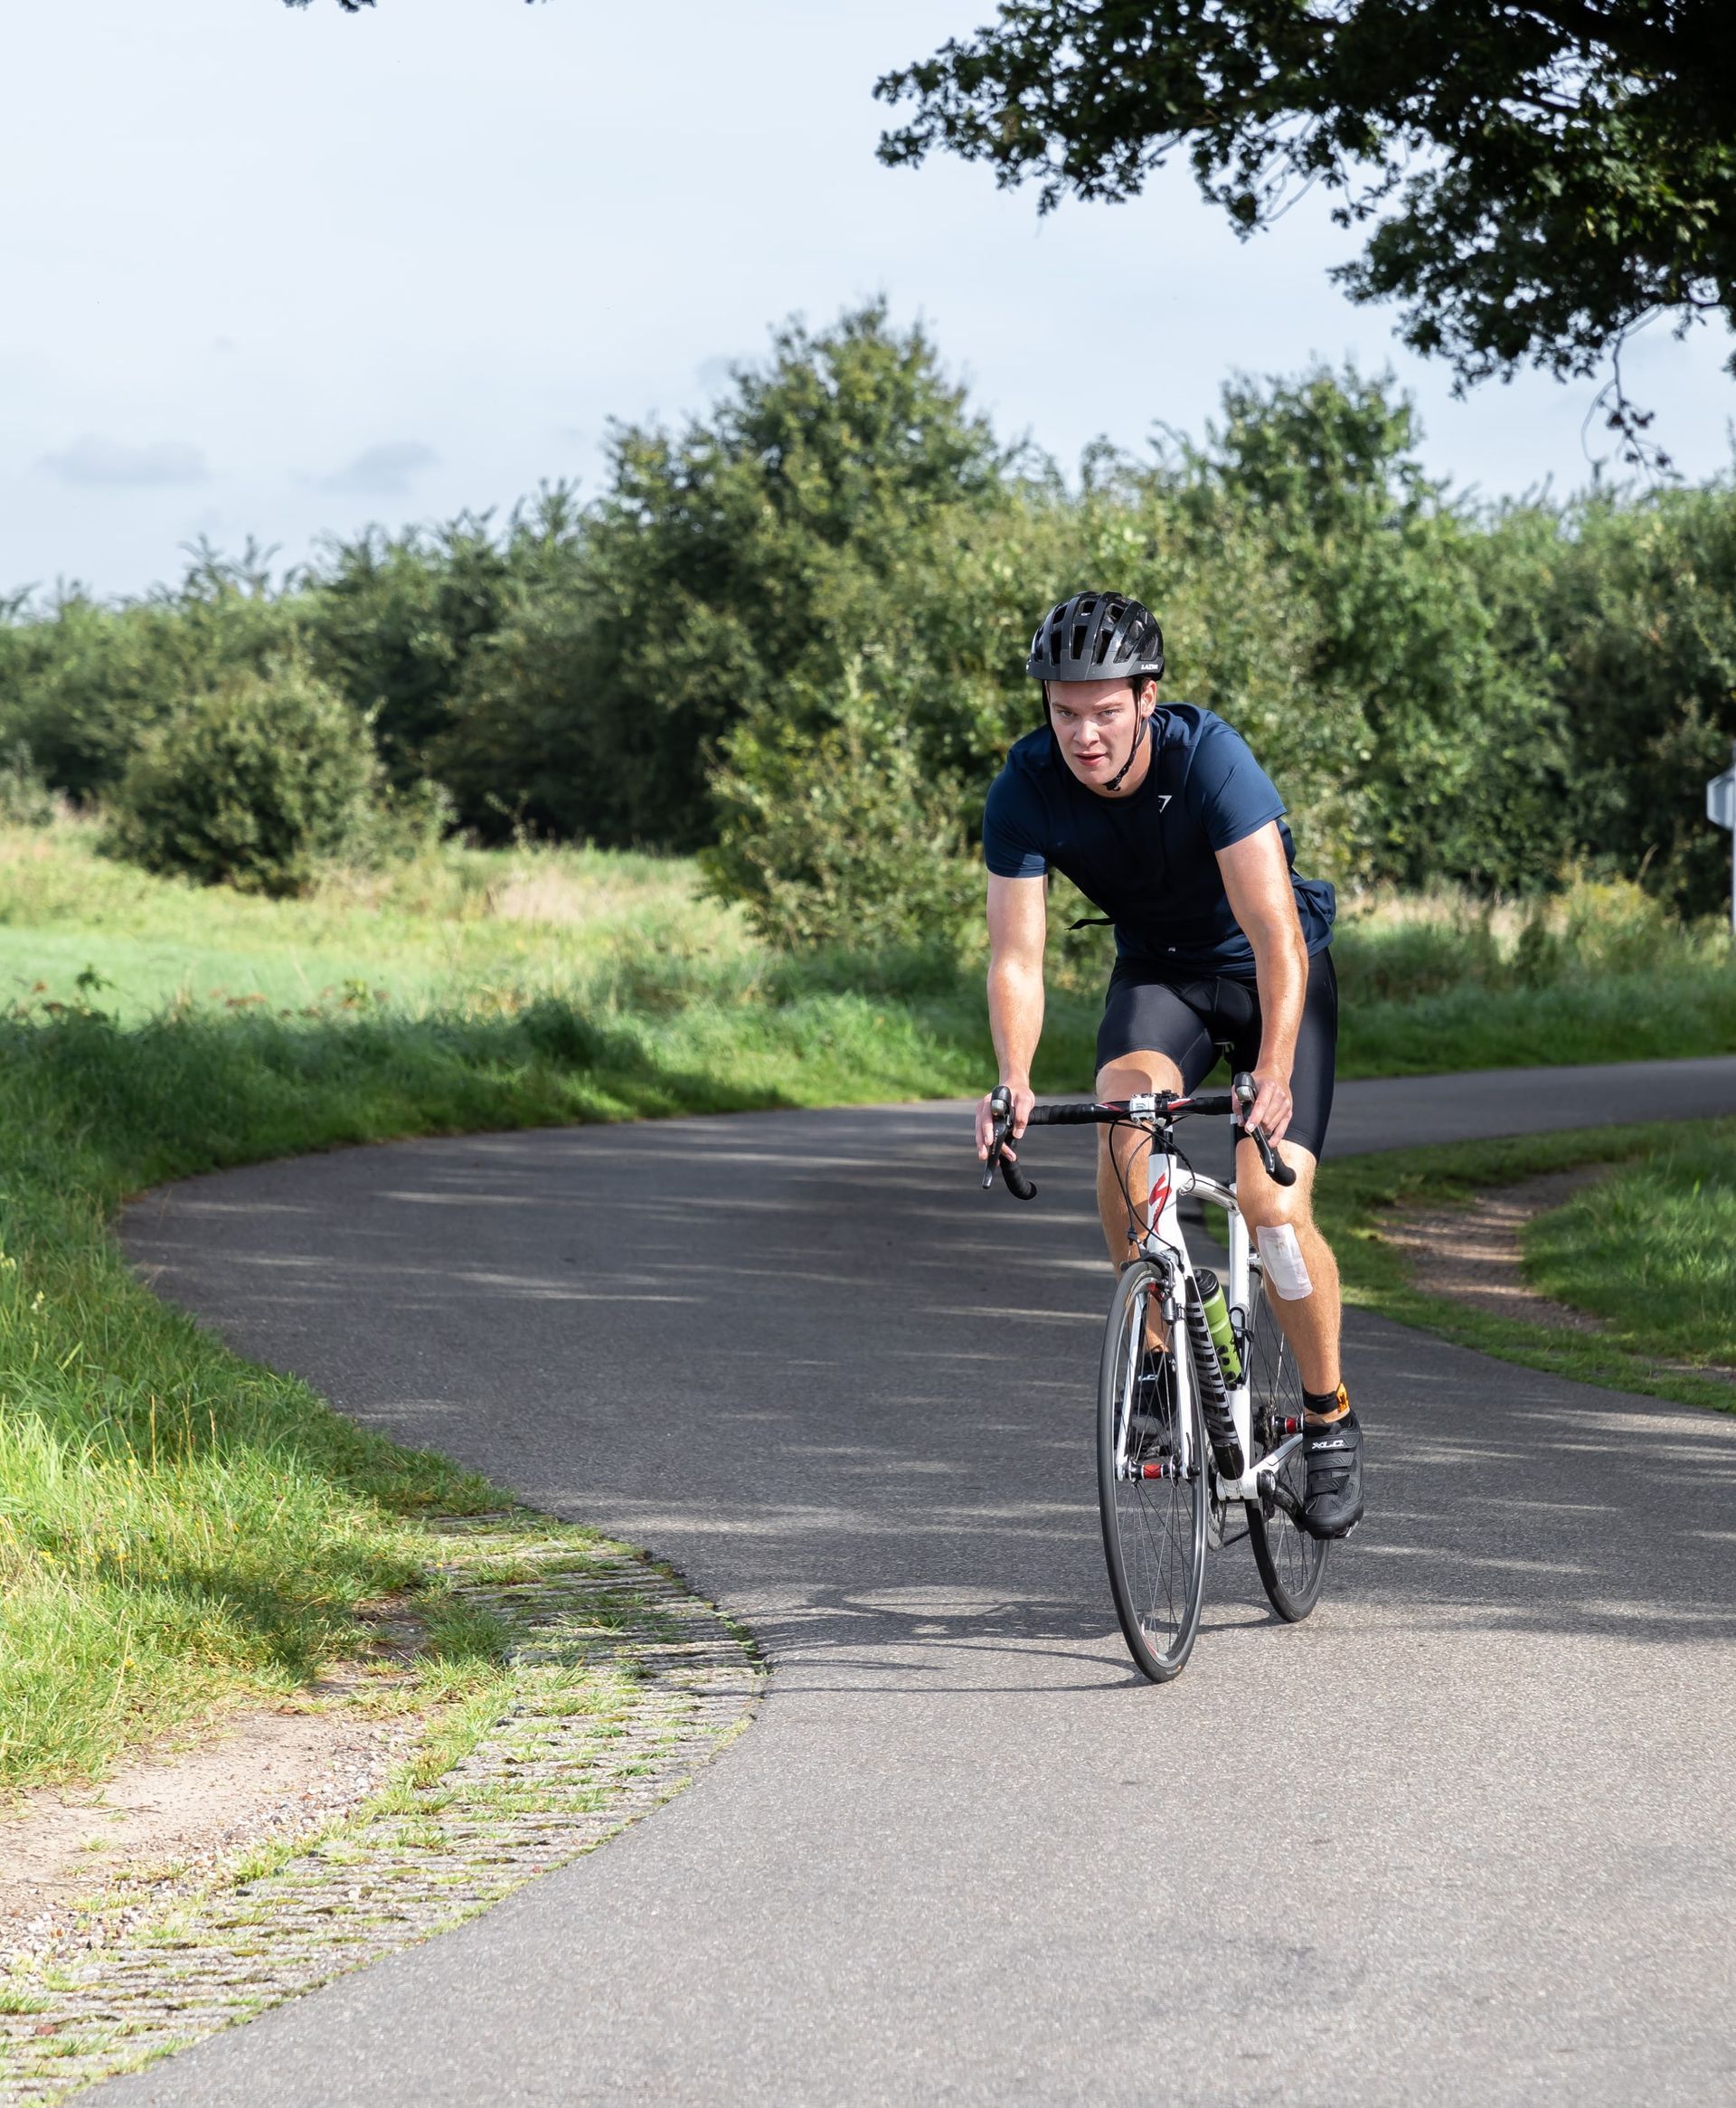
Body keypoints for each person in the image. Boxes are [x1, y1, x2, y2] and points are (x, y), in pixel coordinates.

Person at [972, 590, 1363, 1537]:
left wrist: (1271, 1070)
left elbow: (1276, 937)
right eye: (1064, 712)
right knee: (1120, 1123)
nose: (1084, 734)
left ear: (1147, 698)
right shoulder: (1025, 787)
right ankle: (1157, 1353)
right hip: (1161, 981)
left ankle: (1327, 1417)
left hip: (1272, 981)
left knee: (1270, 1206)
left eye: (1105, 711)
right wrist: (1014, 1080)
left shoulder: (1209, 760)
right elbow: (1016, 957)